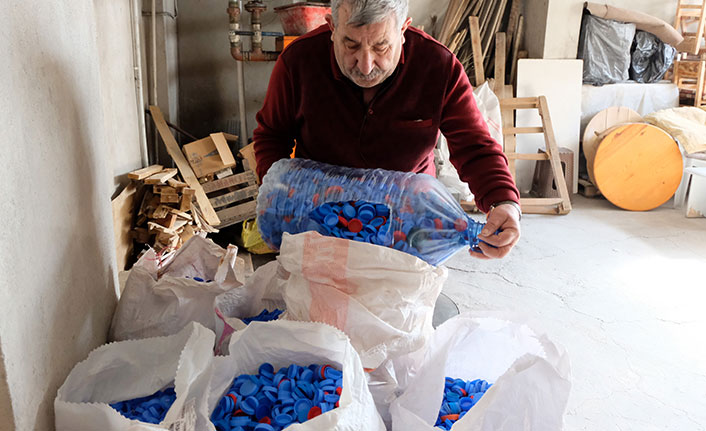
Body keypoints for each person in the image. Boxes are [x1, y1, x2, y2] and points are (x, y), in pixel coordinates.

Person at [253, 0, 521, 259]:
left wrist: (503, 201)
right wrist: (279, 197)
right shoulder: (298, 61)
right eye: (351, 44)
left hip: (407, 225)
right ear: (332, 27)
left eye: (381, 46)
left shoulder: (439, 67)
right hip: (319, 219)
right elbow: (272, 135)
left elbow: (475, 147)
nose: (365, 65)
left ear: (403, 30)